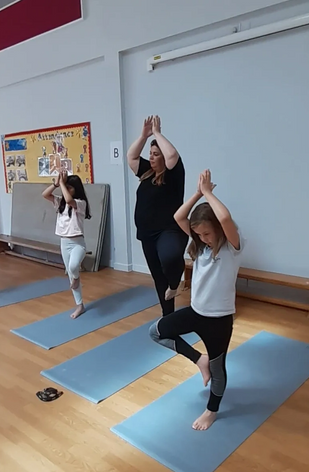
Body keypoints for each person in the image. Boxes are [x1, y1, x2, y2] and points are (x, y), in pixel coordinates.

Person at [149, 169, 243, 431]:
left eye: (207, 233)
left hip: (219, 319)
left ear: (219, 230)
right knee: (156, 332)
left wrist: (209, 193)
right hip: (195, 312)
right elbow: (179, 216)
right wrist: (197, 193)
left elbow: (224, 217)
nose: (202, 238)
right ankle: (199, 360)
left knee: (219, 368)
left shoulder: (232, 247)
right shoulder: (200, 246)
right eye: (198, 234)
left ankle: (212, 411)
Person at [127, 115, 188, 316]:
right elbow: (131, 157)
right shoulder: (146, 172)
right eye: (150, 154)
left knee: (170, 257)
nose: (151, 157)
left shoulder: (174, 174)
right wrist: (144, 135)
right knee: (158, 277)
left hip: (169, 230)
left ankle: (175, 282)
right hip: (147, 233)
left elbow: (173, 156)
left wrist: (157, 133)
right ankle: (167, 317)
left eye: (155, 154)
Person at [42, 170, 91, 319]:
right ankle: (80, 305)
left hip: (78, 243)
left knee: (73, 267)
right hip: (64, 242)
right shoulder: (59, 203)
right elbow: (45, 194)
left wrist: (62, 183)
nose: (66, 190)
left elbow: (70, 200)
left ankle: (76, 278)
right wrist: (56, 184)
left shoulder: (80, 204)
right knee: (71, 274)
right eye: (66, 187)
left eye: (69, 187)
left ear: (76, 189)